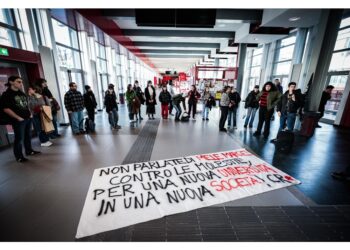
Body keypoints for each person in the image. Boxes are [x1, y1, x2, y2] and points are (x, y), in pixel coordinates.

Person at [1, 76, 40, 162]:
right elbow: (6, 109)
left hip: (27, 118)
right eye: (18, 82)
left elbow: (26, 106)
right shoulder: (6, 95)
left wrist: (30, 113)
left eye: (21, 82)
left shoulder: (21, 93)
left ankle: (29, 151)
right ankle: (19, 156)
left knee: (28, 136)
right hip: (18, 120)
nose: (21, 83)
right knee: (19, 139)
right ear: (11, 82)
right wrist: (18, 117)